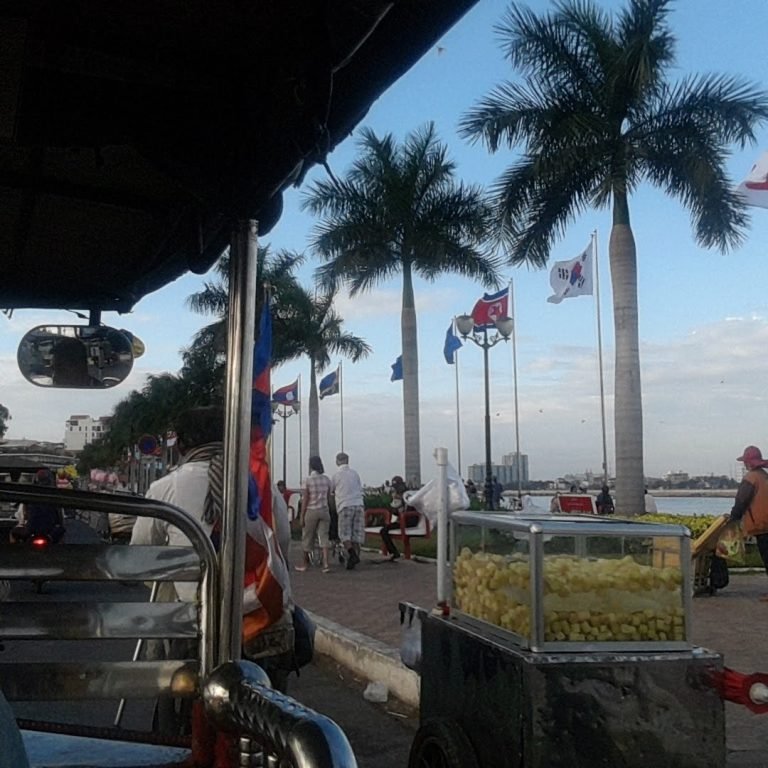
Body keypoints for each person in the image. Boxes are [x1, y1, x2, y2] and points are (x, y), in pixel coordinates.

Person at [728, 445, 768, 597]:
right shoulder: (764, 476)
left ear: (749, 463)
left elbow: (741, 501)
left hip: (761, 524)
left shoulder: (751, 478)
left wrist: (733, 518)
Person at [9, 469, 65, 544]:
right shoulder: (55, 494)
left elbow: (24, 514)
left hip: (31, 530)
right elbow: (60, 519)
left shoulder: (31, 492)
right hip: (50, 531)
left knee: (12, 533)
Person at [296, 455, 332, 573]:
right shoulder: (326, 479)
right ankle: (326, 564)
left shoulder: (307, 480)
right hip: (324, 510)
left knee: (307, 537)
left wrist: (301, 516)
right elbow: (328, 497)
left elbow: (305, 499)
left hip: (311, 510)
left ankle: (305, 564)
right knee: (324, 537)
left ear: (311, 466)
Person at [331, 452, 365, 571]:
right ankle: (353, 558)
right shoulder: (355, 474)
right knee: (356, 534)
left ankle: (352, 554)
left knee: (344, 534)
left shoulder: (336, 475)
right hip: (359, 504)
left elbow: (331, 491)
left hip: (345, 505)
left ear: (337, 461)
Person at [380, 475, 418, 562]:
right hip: (403, 519)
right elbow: (396, 512)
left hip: (409, 520)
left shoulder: (408, 495)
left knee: (384, 531)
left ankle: (393, 552)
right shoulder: (400, 495)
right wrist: (394, 505)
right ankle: (393, 552)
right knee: (384, 529)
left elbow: (408, 509)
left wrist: (400, 503)